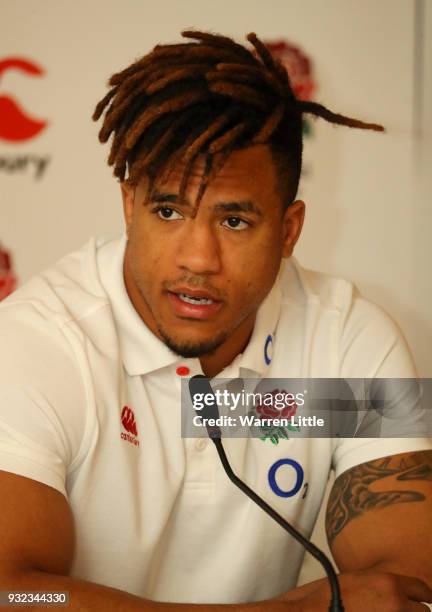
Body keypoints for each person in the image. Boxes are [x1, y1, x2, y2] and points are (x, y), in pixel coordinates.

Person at [0, 29, 431, 611]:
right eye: (169, 210)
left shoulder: (352, 337)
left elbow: (402, 590)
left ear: (289, 230)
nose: (198, 259)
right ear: (129, 207)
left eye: (234, 222)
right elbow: (18, 595)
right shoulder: (36, 341)